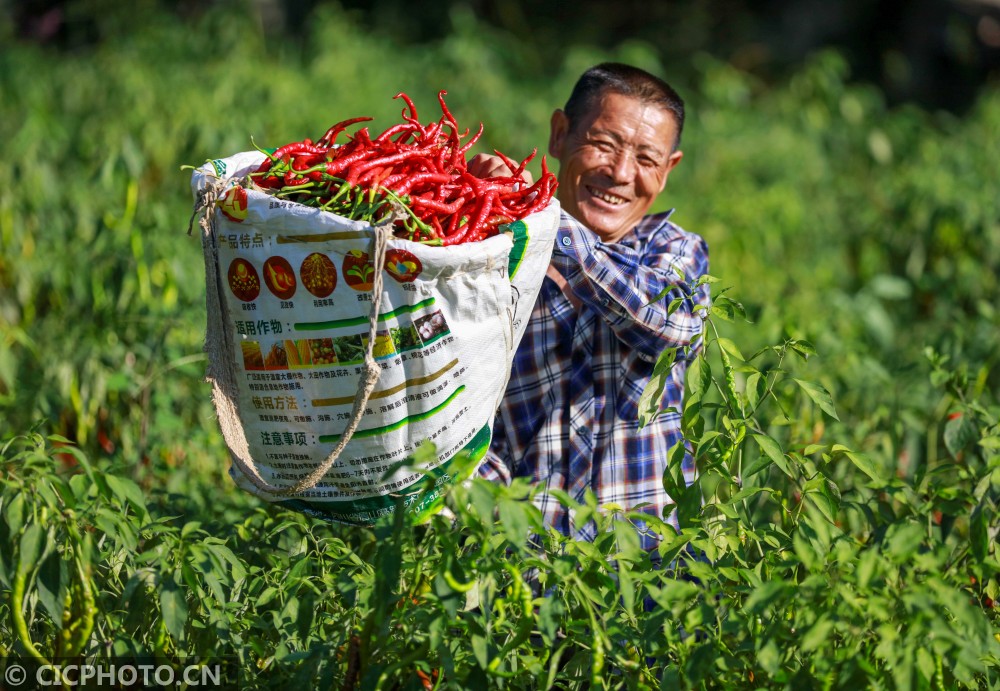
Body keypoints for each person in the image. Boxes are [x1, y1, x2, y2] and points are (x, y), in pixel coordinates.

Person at [472, 63, 711, 550]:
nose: (621, 174)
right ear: (560, 135)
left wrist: (541, 219)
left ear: (669, 170)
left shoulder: (675, 253)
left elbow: (665, 327)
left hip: (641, 571)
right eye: (604, 144)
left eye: (647, 158)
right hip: (515, 561)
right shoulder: (494, 254)